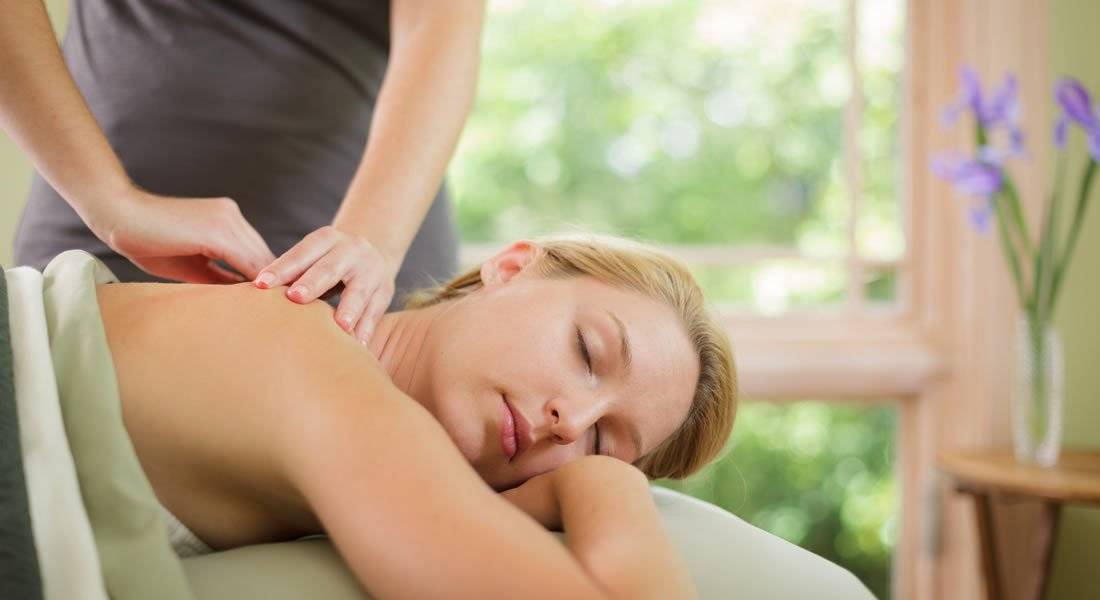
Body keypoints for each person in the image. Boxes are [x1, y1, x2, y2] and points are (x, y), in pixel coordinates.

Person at [86, 232, 738, 598]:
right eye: (587, 351)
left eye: (600, 439)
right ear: (510, 268)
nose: (569, 422)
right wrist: (606, 483)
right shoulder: (314, 365)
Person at [2, 0, 484, 346]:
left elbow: (438, 26)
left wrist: (369, 243)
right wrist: (110, 202)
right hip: (102, 234)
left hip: (367, 260)